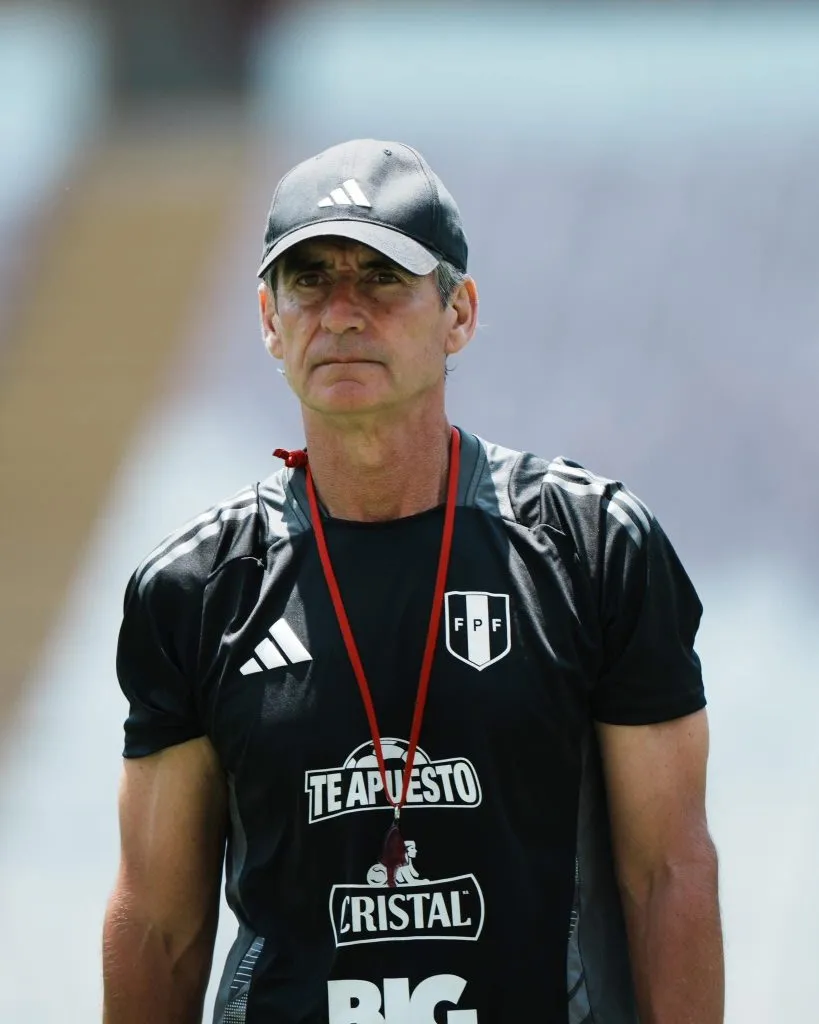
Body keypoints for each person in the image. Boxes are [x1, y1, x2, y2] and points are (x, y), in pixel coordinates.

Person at [102, 138, 724, 1024]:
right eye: (308, 280)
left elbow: (668, 873)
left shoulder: (591, 546)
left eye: (382, 278)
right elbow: (159, 925)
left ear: (457, 313)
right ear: (270, 320)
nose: (341, 312)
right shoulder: (197, 587)